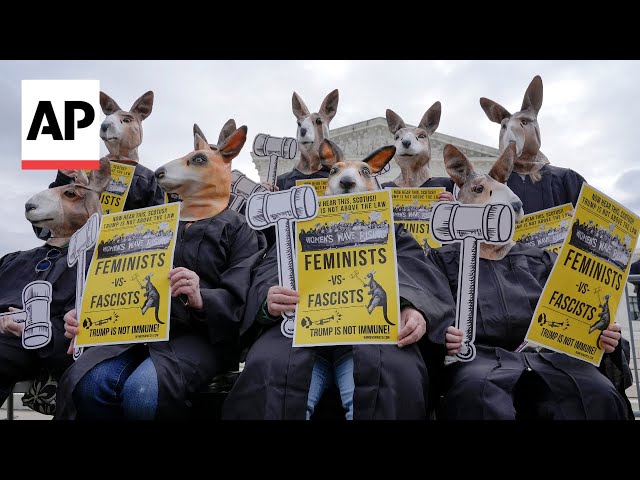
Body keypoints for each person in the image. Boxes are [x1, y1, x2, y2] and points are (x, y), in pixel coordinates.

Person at [222, 140, 456, 420]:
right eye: (337, 172)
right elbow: (268, 270)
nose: (348, 179)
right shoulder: (295, 229)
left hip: (373, 336)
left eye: (363, 173)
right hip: (299, 335)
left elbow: (417, 272)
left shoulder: (394, 231)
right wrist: (268, 300)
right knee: (268, 372)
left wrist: (411, 307)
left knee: (393, 375)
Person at [54, 125, 267, 420]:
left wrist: (201, 297)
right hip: (130, 333)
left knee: (144, 391)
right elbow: (113, 278)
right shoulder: (147, 223)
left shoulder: (239, 228)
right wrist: (86, 314)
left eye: (198, 160)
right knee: (89, 384)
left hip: (199, 337)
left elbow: (242, 295)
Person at [428, 142, 633, 420]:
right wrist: (443, 337)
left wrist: (603, 335)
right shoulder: (443, 259)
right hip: (480, 359)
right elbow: (432, 310)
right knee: (476, 394)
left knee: (596, 393)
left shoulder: (541, 260)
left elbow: (578, 311)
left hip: (552, 359)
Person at [0, 157, 111, 413]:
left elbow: (75, 325)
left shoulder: (93, 263)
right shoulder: (14, 260)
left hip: (28, 344)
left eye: (70, 195)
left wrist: (31, 327)